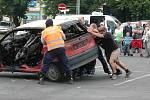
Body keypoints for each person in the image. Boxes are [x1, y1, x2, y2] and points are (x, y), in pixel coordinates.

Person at [38, 19, 73, 84]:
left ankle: (41, 78)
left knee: (46, 63)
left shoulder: (44, 32)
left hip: (52, 50)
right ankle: (70, 79)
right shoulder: (58, 29)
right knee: (65, 63)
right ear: (52, 24)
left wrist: (48, 42)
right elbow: (64, 38)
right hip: (61, 49)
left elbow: (43, 42)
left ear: (46, 25)